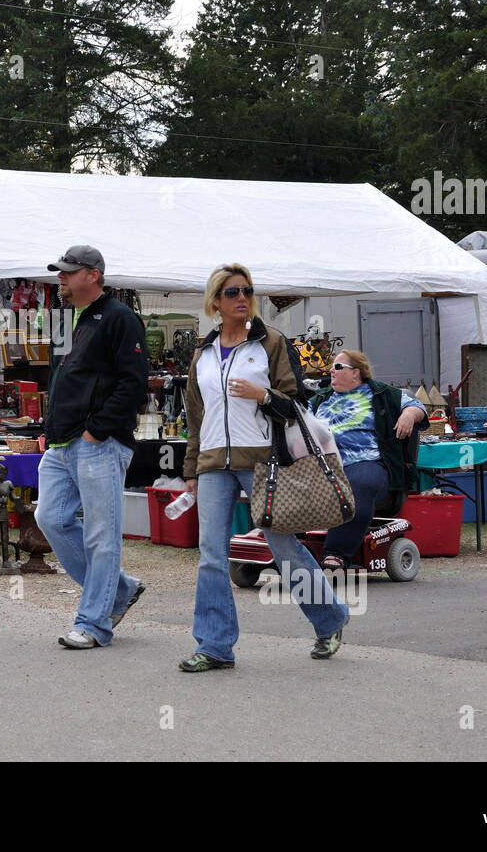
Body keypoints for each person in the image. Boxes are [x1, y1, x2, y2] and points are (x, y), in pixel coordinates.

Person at [179, 263, 350, 671]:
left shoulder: (270, 342)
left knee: (284, 548)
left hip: (263, 461)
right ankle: (215, 646)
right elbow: (196, 418)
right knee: (211, 555)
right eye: (232, 292)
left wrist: (262, 395)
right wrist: (190, 470)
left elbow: (295, 404)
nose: (242, 298)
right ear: (215, 301)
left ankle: (330, 619)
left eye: (247, 291)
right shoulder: (203, 353)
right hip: (213, 462)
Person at [33, 245, 148, 649]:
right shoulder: (64, 318)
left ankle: (94, 624)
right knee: (50, 518)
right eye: (60, 271)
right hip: (62, 442)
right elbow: (59, 378)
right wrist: (50, 428)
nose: (60, 277)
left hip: (99, 442)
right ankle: (120, 590)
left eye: (68, 271)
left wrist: (97, 430)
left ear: (93, 275)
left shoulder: (121, 318)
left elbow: (134, 383)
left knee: (102, 536)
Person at [309, 349, 428, 569]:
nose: (331, 371)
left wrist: (409, 415)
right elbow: (299, 423)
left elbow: (417, 406)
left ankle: (336, 554)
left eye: (337, 367)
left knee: (358, 484)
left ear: (356, 372)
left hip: (367, 462)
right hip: (323, 465)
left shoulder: (381, 394)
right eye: (331, 367)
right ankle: (282, 544)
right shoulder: (320, 399)